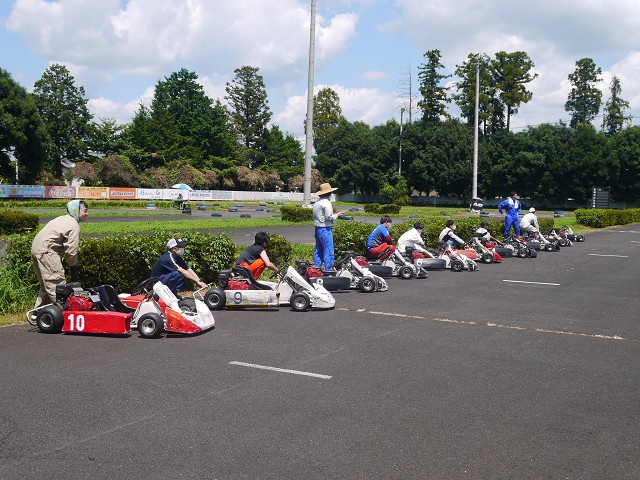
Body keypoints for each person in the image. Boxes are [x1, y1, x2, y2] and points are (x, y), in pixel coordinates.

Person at [31, 199, 89, 308]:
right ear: (75, 210)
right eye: (85, 211)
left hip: (37, 248)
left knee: (47, 286)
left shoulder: (63, 219)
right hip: (47, 251)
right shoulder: (73, 225)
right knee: (57, 284)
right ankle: (63, 312)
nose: (87, 214)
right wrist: (73, 268)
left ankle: (38, 313)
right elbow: (71, 250)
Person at [313, 182, 344, 270]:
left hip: (317, 228)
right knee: (328, 250)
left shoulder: (317, 202)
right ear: (329, 193)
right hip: (325, 229)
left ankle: (317, 269)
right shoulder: (326, 203)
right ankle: (328, 270)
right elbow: (329, 217)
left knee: (318, 250)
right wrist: (337, 215)